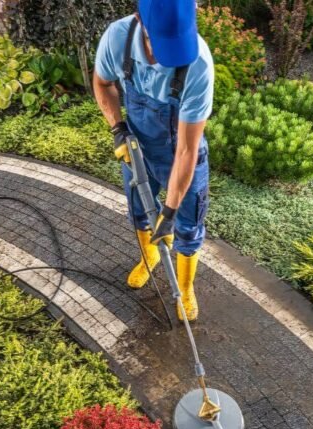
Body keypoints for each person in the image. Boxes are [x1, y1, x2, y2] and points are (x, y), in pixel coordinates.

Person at [93, 0, 214, 321]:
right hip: (139, 147)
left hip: (181, 153)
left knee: (188, 224)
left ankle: (185, 287)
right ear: (140, 19)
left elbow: (186, 150)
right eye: (161, 43)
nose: (167, 57)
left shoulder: (198, 63)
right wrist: (118, 129)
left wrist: (170, 211)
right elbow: (103, 83)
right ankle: (151, 257)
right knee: (139, 210)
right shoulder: (117, 38)